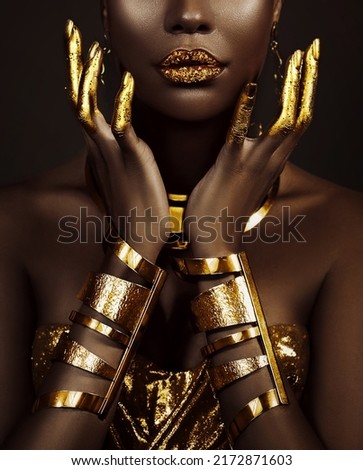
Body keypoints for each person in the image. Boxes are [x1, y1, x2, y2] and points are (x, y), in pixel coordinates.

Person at [1, 0, 362, 450]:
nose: (190, 14)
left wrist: (216, 259)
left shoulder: (346, 229)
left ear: (274, 9)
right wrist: (134, 251)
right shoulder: (14, 223)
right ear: (107, 12)